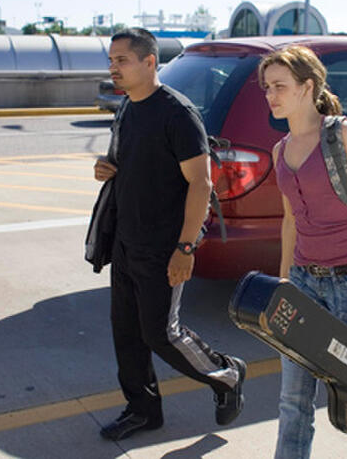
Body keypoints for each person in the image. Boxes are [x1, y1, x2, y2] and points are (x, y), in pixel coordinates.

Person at [94, 28, 246, 441]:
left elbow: (201, 184)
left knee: (162, 334)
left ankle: (227, 375)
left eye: (122, 60)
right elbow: (134, 163)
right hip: (126, 240)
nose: (114, 68)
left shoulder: (177, 113)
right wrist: (106, 167)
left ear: (149, 62)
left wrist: (185, 247)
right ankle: (143, 411)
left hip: (163, 246)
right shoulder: (127, 108)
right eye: (111, 61)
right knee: (126, 332)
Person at [259, 46, 347, 459]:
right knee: (293, 399)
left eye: (280, 87)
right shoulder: (281, 150)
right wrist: (283, 283)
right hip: (302, 282)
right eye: (267, 88)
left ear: (307, 87)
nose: (271, 96)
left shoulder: (344, 136)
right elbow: (290, 222)